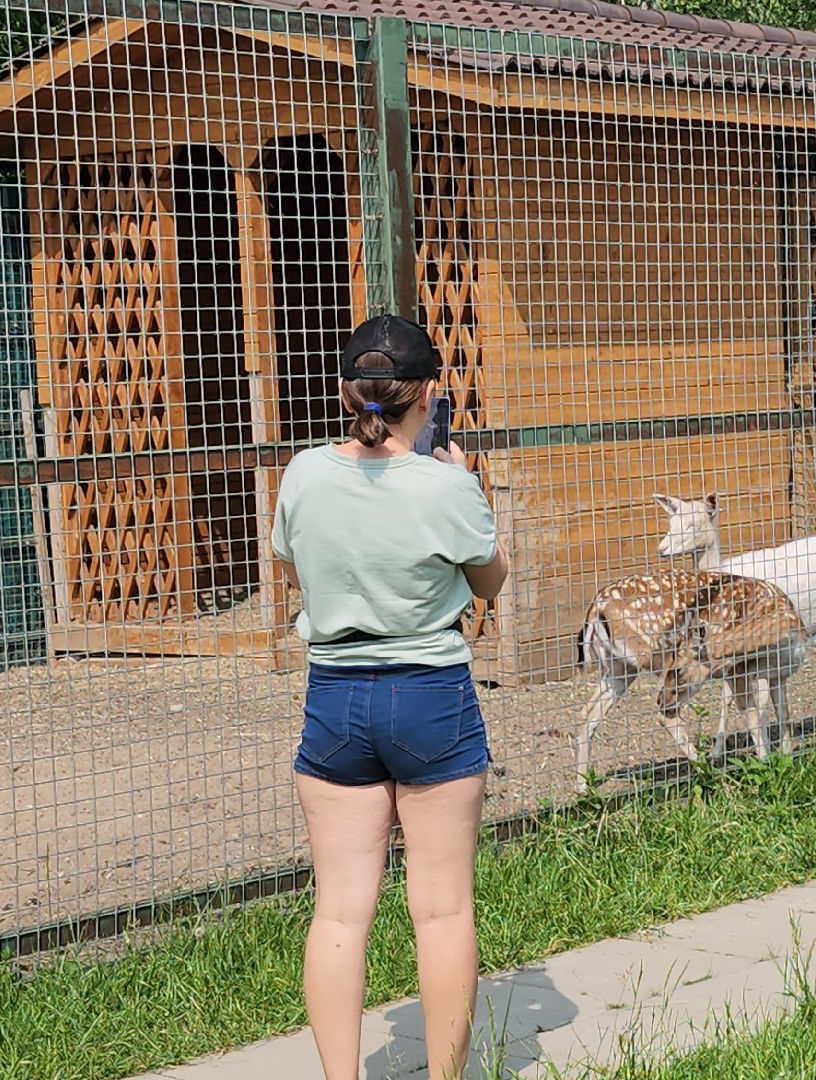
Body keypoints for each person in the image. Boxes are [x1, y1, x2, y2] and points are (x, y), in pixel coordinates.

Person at [270, 314, 509, 1079]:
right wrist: (461, 485)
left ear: (346, 393)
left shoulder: (303, 473)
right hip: (430, 696)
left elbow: (291, 566)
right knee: (440, 910)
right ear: (429, 396)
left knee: (341, 910)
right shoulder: (445, 485)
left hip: (335, 695)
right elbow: (489, 579)